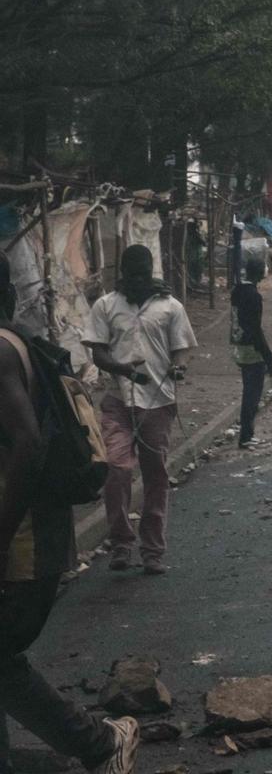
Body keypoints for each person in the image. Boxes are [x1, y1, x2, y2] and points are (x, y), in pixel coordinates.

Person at [0, 253, 141, 774]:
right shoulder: (20, 344)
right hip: (30, 536)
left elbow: (28, 447)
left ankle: (101, 742)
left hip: (25, 542)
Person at [83, 245, 197, 575]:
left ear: (150, 273)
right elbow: (99, 355)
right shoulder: (106, 305)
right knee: (116, 471)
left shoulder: (170, 306)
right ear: (123, 273)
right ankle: (121, 543)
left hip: (158, 403)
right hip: (118, 401)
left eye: (142, 275)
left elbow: (181, 351)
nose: (137, 280)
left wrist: (178, 368)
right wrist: (126, 371)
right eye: (131, 275)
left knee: (156, 476)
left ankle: (152, 550)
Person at [230, 258, 272, 450]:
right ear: (260, 273)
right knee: (252, 394)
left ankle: (247, 434)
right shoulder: (253, 296)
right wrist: (269, 359)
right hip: (252, 348)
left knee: (248, 391)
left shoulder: (238, 290)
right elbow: (256, 330)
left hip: (238, 345)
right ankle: (246, 435)